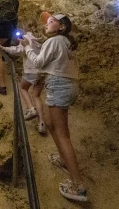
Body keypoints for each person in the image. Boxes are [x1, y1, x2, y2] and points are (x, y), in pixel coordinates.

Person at [21, 12, 87, 202]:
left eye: (51, 21)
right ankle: (64, 159)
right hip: (68, 85)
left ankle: (78, 185)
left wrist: (27, 48)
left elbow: (39, 63)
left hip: (59, 85)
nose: (47, 24)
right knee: (50, 123)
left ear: (62, 26)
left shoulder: (55, 41)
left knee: (61, 134)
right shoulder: (65, 41)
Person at [0, 24, 46, 135]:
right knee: (36, 95)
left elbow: (19, 50)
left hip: (31, 70)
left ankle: (31, 109)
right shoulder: (44, 38)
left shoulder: (26, 37)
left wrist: (4, 48)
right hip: (43, 72)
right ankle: (41, 123)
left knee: (23, 88)